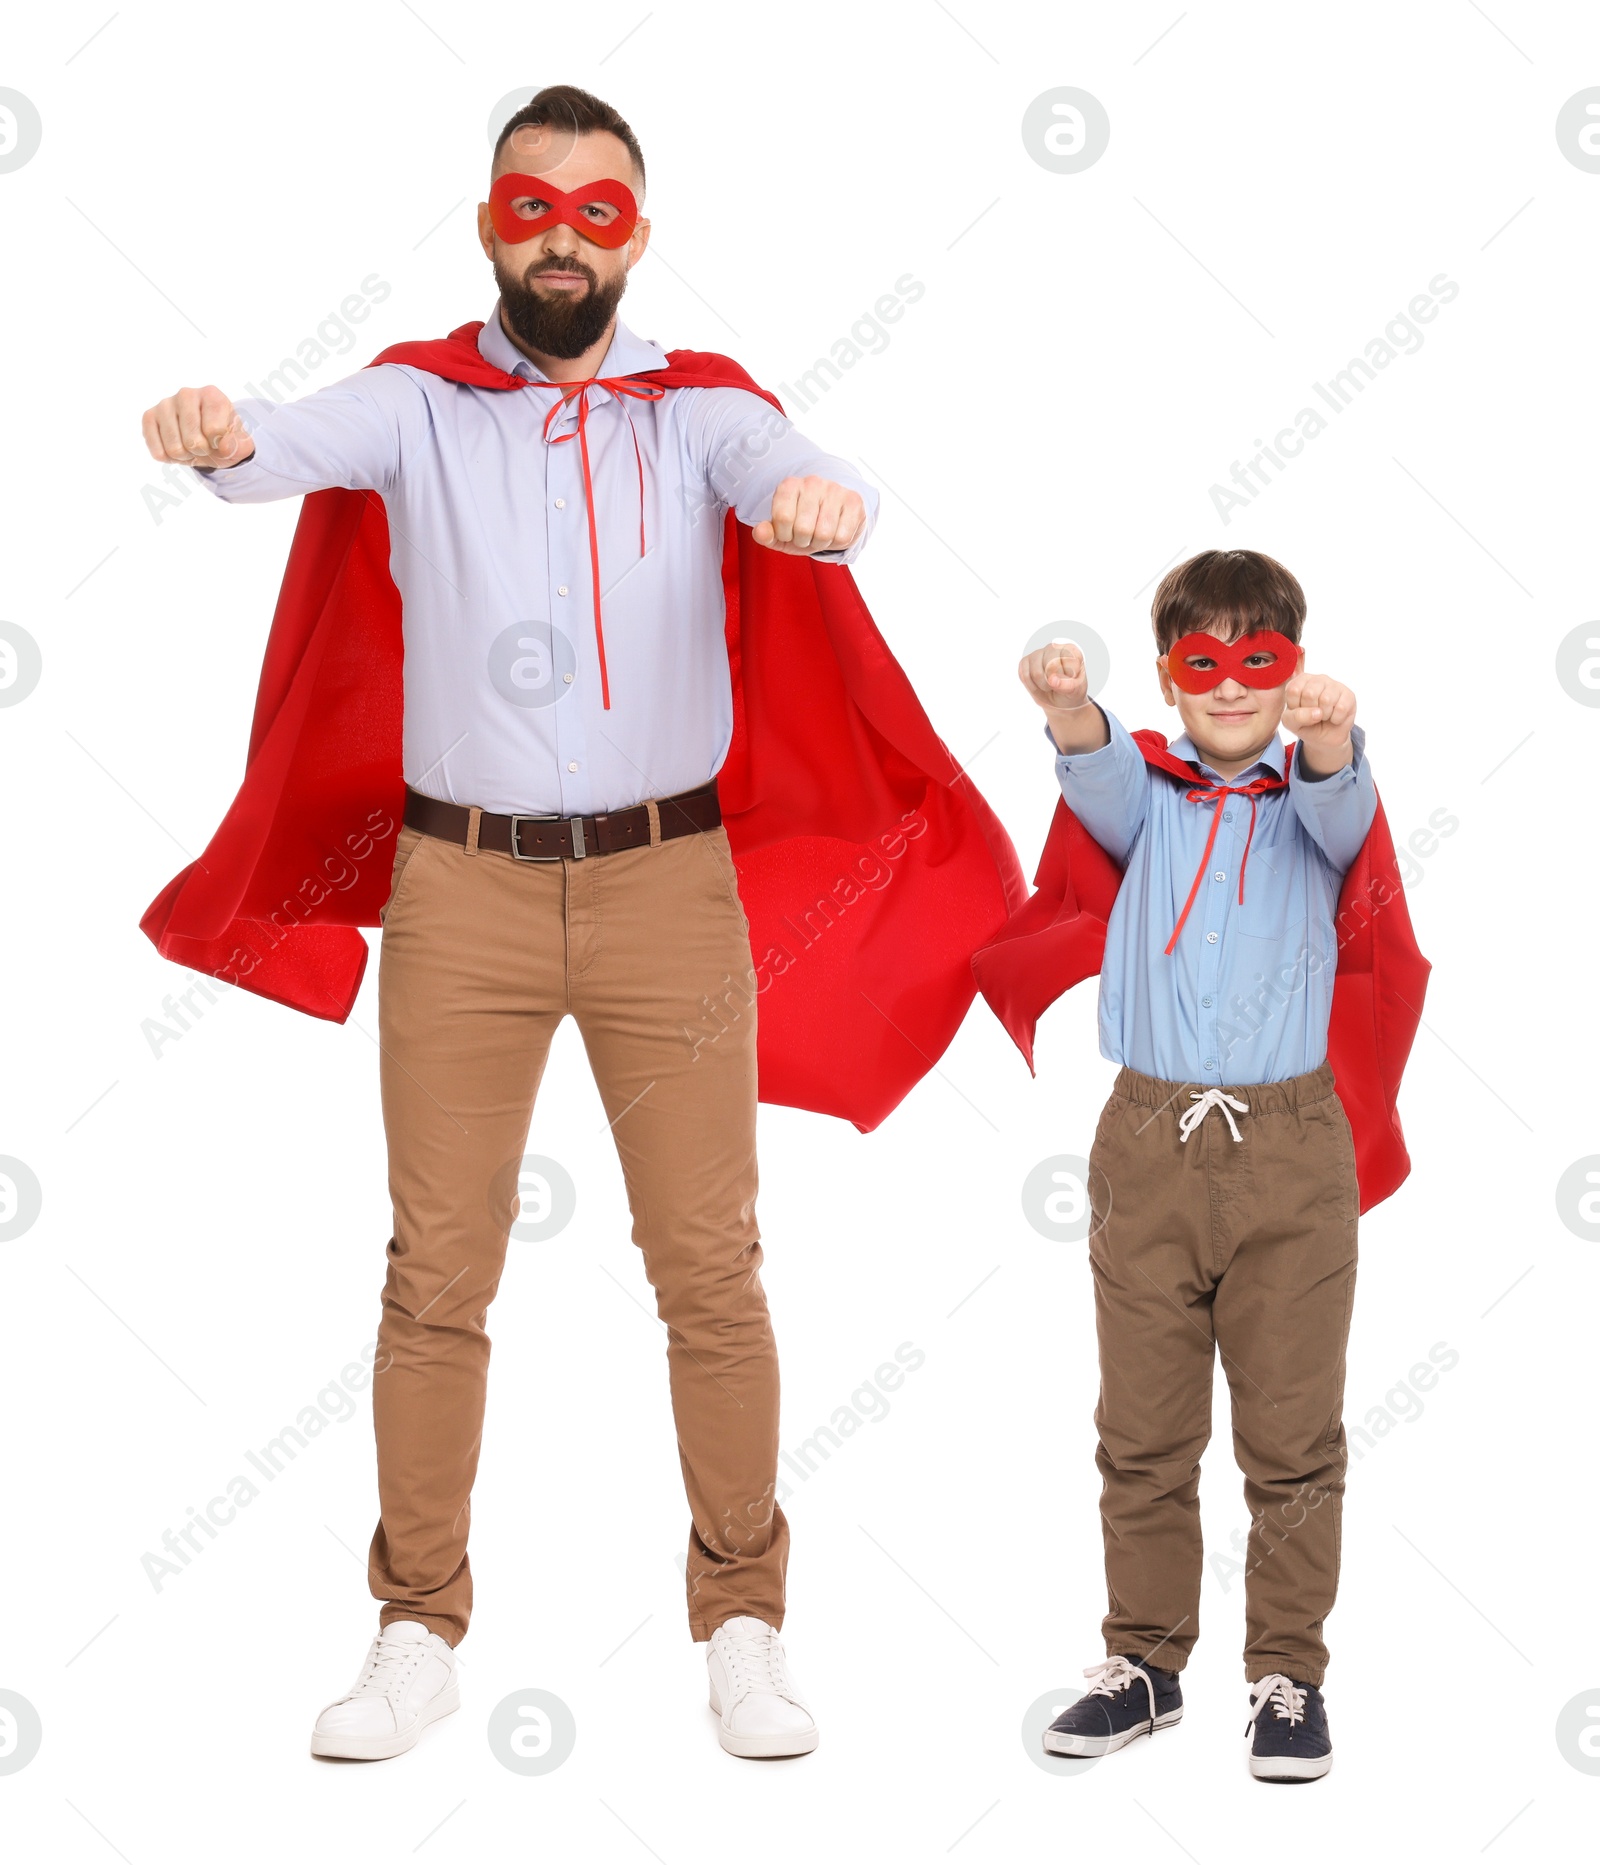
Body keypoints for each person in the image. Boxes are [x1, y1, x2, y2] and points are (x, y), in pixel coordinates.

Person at [140, 83, 1022, 1762]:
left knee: (709, 1266)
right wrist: (214, 430)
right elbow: (278, 445)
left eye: (596, 209)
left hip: (663, 892)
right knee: (436, 1274)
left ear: (636, 232)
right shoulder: (419, 403)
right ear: (491, 224)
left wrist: (826, 502)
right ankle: (415, 1628)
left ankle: (745, 1618)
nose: (560, 233)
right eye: (530, 204)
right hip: (458, 890)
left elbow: (798, 468)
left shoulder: (699, 417)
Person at [1005, 548, 1426, 1783]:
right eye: (1206, 663)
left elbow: (1348, 807)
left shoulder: (1308, 797)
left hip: (1292, 1148)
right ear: (1171, 679)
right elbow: (1091, 771)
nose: (1233, 686)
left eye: (1261, 661)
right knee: (1141, 1427)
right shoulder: (1150, 798)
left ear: (1290, 669)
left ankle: (1286, 1671)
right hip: (1148, 1139)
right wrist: (1067, 705)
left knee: (1293, 1433)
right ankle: (1144, 1661)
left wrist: (1334, 735)